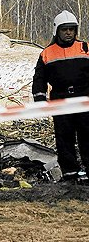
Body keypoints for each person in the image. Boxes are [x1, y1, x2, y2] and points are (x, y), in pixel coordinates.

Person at [32, 10, 89, 184]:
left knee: (87, 136)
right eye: (65, 29)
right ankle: (70, 173)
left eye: (72, 29)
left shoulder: (85, 48)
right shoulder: (47, 53)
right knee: (64, 138)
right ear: (57, 30)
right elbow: (39, 78)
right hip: (60, 99)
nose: (68, 33)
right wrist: (40, 99)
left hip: (84, 99)